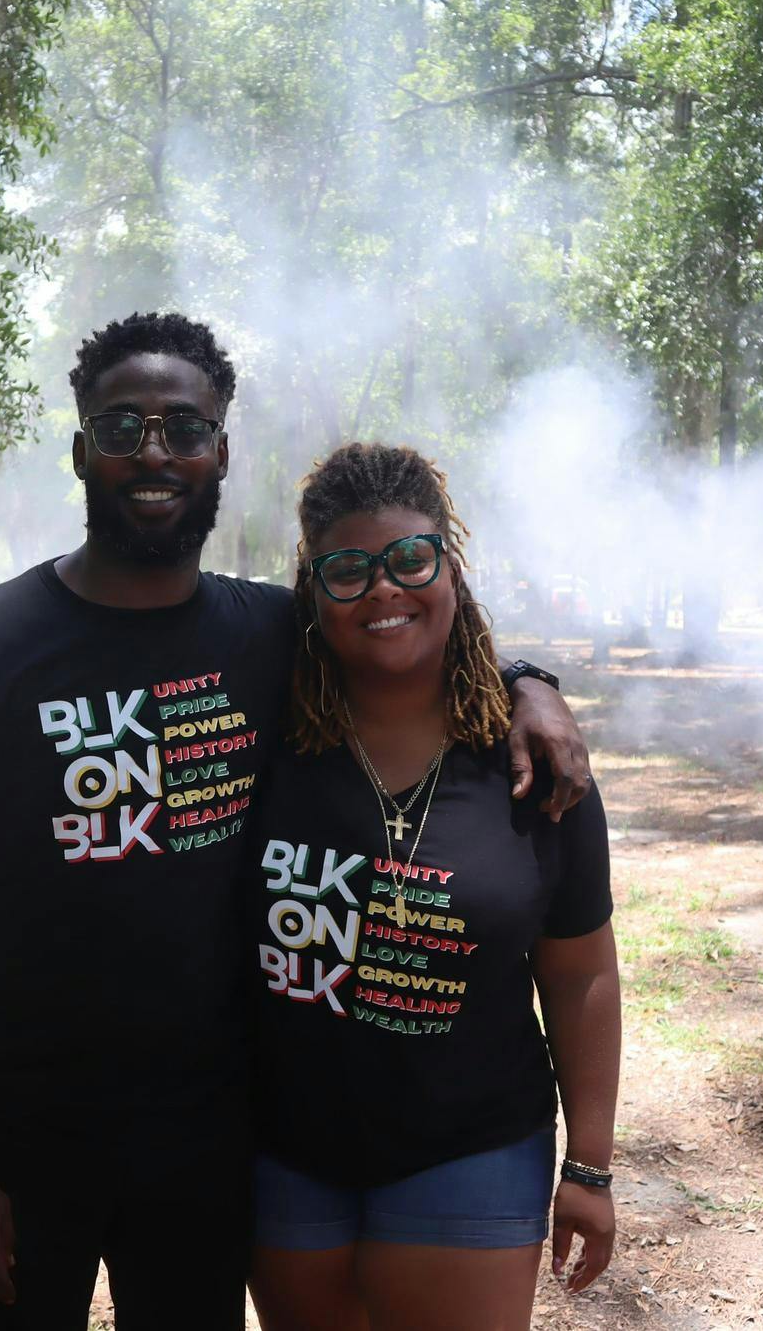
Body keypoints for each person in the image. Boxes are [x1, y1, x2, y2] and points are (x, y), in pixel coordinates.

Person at [0, 312, 594, 1330]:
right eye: (121, 428)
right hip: (19, 1139)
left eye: (181, 427)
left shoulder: (265, 632)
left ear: (219, 451)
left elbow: (398, 614)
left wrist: (529, 680)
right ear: (81, 451)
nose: (152, 451)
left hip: (209, 1149)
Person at [247, 443, 621, 1331]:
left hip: (473, 1147)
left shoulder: (537, 765)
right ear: (312, 589)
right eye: (348, 570)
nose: (383, 589)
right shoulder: (262, 737)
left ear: (449, 565)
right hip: (283, 1151)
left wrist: (592, 1165)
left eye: (410, 558)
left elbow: (580, 974)